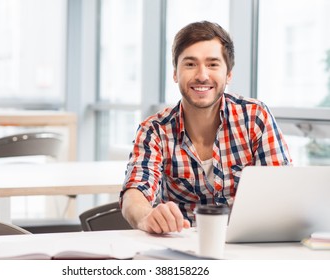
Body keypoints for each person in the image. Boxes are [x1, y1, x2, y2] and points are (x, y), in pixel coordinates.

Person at [120, 21, 292, 234]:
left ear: (228, 74)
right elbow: (134, 193)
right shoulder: (154, 130)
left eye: (212, 64)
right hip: (180, 249)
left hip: (249, 246)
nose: (202, 75)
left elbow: (282, 191)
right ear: (175, 73)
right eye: (190, 64)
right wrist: (146, 216)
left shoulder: (255, 118)